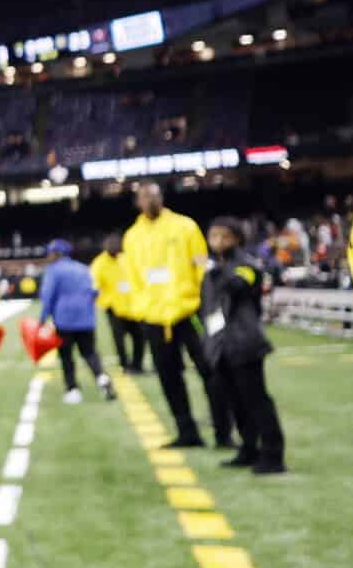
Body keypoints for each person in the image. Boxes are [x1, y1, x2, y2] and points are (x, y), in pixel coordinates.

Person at [123, 182, 230, 452]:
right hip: (154, 319)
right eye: (144, 196)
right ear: (137, 201)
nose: (149, 200)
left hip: (188, 312)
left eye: (154, 194)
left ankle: (223, 432)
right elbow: (134, 279)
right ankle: (187, 431)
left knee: (211, 371)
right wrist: (141, 311)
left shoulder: (185, 227)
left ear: (162, 197)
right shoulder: (132, 237)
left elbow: (201, 267)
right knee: (169, 377)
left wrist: (204, 305)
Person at [201, 219, 284, 474]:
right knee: (236, 402)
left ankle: (273, 454)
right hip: (222, 345)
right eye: (213, 236)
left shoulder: (246, 265)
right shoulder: (214, 267)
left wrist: (215, 271)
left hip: (245, 342)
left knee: (256, 400)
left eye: (223, 236)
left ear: (236, 238)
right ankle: (249, 449)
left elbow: (239, 286)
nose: (217, 242)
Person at [33, 239, 110, 403]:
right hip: (86, 320)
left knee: (67, 356)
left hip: (64, 321)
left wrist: (41, 320)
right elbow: (95, 292)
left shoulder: (53, 271)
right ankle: (102, 379)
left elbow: (47, 297)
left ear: (58, 253)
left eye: (51, 252)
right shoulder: (84, 269)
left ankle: (73, 390)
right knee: (90, 353)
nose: (48, 255)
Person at [91, 232, 142, 372]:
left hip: (133, 306)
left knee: (139, 337)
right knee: (119, 339)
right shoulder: (99, 263)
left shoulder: (126, 259)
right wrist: (105, 302)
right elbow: (94, 285)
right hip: (114, 308)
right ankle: (124, 365)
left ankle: (137, 365)